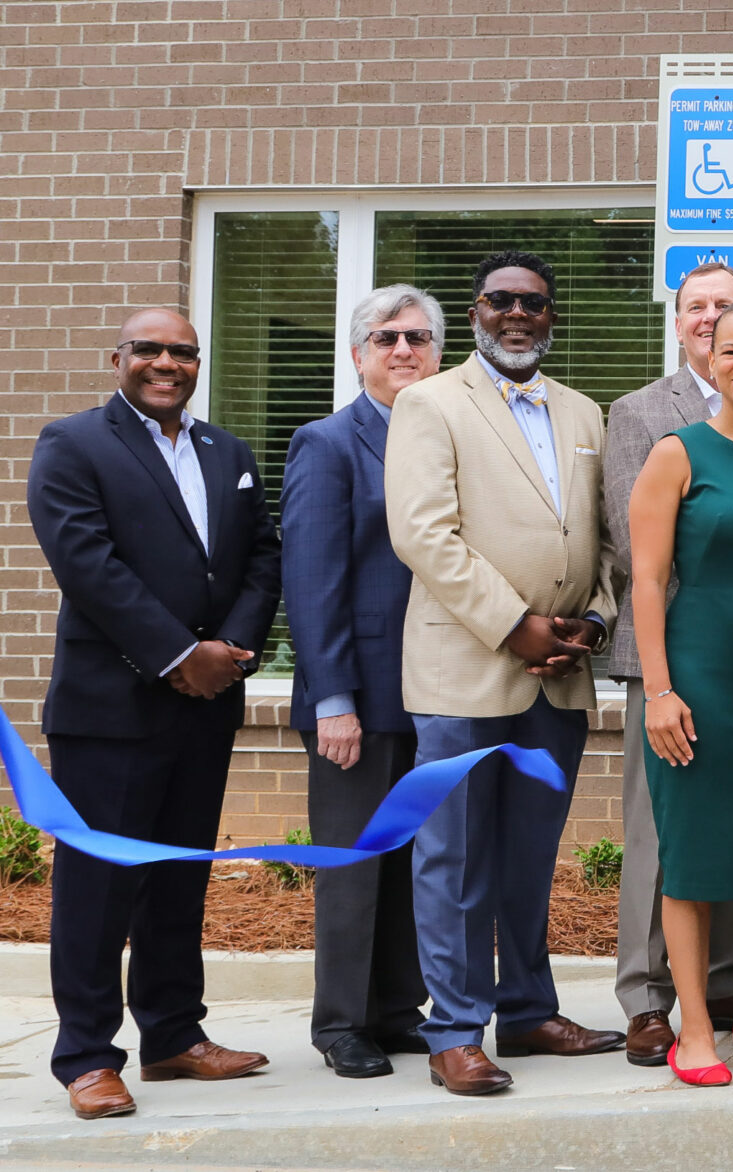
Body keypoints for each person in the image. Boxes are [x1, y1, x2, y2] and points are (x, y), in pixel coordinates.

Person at [29, 308, 282, 1120]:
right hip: (111, 710)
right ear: (119, 358)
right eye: (150, 349)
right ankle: (87, 1057)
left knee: (178, 879)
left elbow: (261, 557)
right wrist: (180, 655)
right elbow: (86, 564)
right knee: (98, 885)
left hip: (206, 708)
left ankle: (174, 1035)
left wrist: (232, 648)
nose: (167, 363)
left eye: (183, 352)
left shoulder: (226, 452)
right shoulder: (73, 444)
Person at [385, 251, 625, 1096]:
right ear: (476, 310)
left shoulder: (585, 412)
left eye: (534, 303)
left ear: (551, 316)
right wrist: (512, 625)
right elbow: (424, 535)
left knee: (529, 857)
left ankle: (525, 1010)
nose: (518, 314)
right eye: (501, 301)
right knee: (453, 859)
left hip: (558, 674)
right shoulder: (428, 403)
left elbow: (601, 540)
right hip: (465, 672)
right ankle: (453, 1029)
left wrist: (594, 617)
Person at [602, 261, 733, 1066]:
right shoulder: (675, 452)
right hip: (697, 672)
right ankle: (694, 1025)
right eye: (732, 351)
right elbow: (647, 579)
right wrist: (660, 689)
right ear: (709, 359)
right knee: (689, 854)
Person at [282, 285, 444, 1079]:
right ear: (358, 356)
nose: (404, 350)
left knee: (413, 859)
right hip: (359, 697)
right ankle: (341, 1022)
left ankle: (394, 1010)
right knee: (352, 865)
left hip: (437, 693)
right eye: (386, 338)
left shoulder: (446, 439)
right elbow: (311, 581)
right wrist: (334, 701)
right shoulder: (328, 443)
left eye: (419, 337)